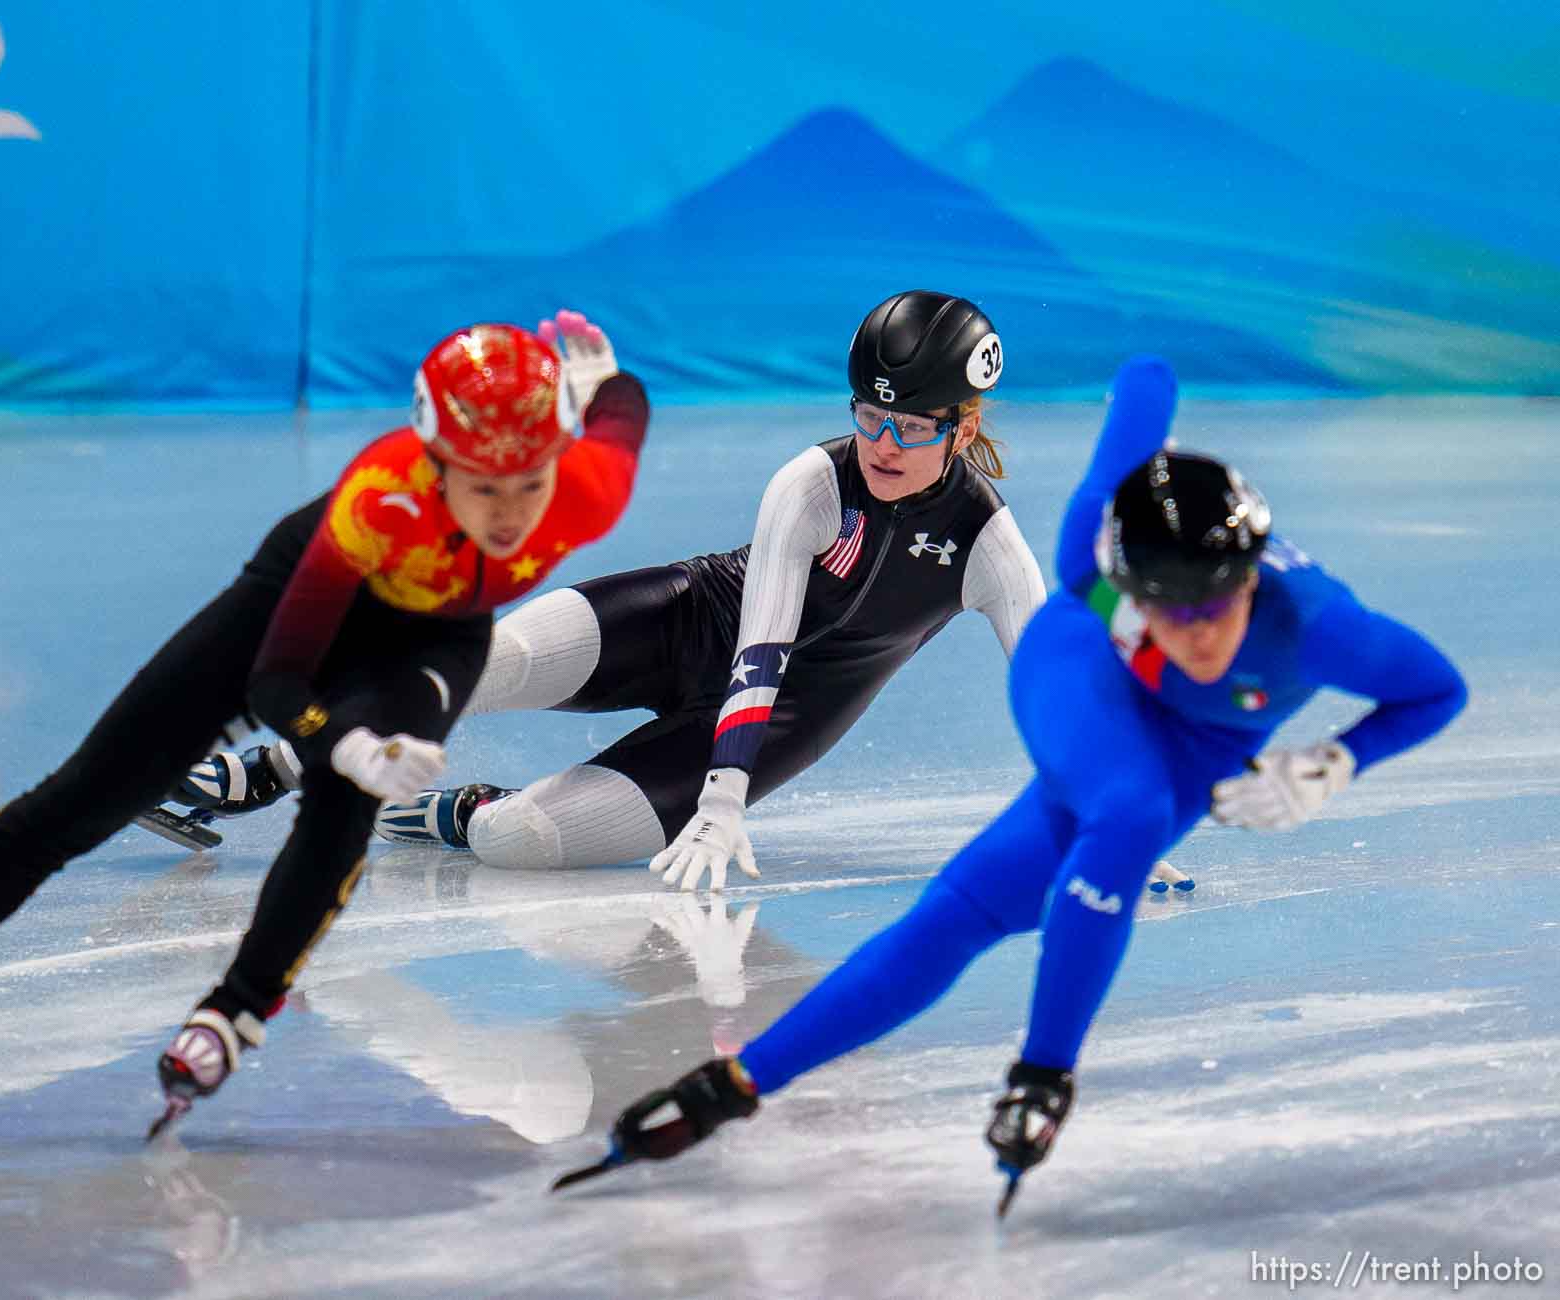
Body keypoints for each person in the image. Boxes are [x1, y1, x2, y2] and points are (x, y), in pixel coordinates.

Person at [578, 355, 1467, 1209]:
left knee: (960, 914)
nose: (1196, 635)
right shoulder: (1096, 569)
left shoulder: (1322, 627)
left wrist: (1335, 761)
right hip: (1088, 679)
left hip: (1199, 746)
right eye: (1169, 610)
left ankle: (732, 1084)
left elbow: (1437, 691)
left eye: (1216, 608)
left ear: (1250, 583)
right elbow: (1140, 396)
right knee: (1126, 817)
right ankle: (1044, 1075)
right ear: (1133, 588)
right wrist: (1148, 381)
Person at [0, 312, 650, 1133]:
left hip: (433, 638)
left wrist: (598, 374)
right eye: (482, 487)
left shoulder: (586, 486)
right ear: (432, 458)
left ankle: (236, 1009)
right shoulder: (377, 496)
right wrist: (342, 737)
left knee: (343, 811)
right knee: (81, 800)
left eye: (529, 484)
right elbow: (280, 681)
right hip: (294, 611)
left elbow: (622, 411)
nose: (508, 514)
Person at [192, 291, 1043, 890]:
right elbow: (761, 645)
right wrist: (721, 799)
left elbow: (1057, 689)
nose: (882, 444)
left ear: (964, 426)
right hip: (697, 621)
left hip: (790, 719)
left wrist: (1104, 819)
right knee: (488, 662)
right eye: (867, 414)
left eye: (911, 427)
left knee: (516, 839)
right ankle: (265, 767)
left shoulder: (987, 545)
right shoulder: (812, 483)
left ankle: (463, 811)